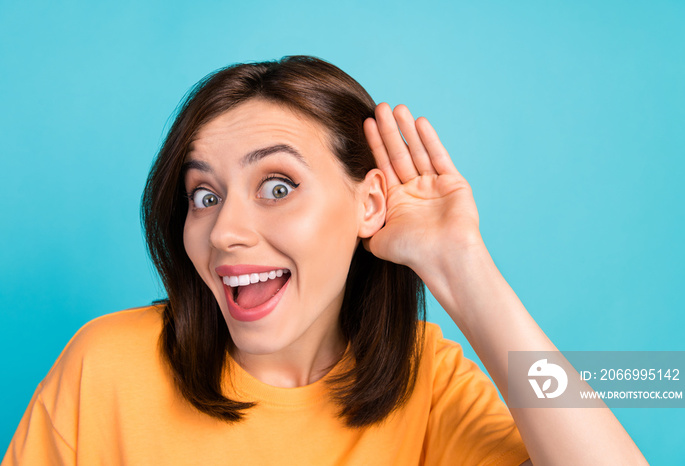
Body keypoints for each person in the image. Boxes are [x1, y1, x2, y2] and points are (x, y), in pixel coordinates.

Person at [2, 56, 647, 465]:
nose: (224, 231)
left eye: (278, 187)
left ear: (370, 205)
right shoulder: (105, 367)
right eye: (204, 195)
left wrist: (460, 266)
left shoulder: (428, 384)